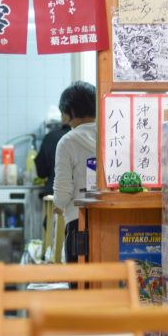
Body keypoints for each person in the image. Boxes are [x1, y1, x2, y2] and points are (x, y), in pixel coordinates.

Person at [51, 82, 97, 263]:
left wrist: (57, 203)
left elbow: (62, 196)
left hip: (79, 224)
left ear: (70, 111)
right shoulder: (112, 134)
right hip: (113, 222)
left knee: (80, 286)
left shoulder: (67, 141)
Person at [34, 109, 71, 197]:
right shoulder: (87, 137)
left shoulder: (50, 137)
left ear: (64, 116)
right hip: (79, 197)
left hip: (54, 194)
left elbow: (41, 173)